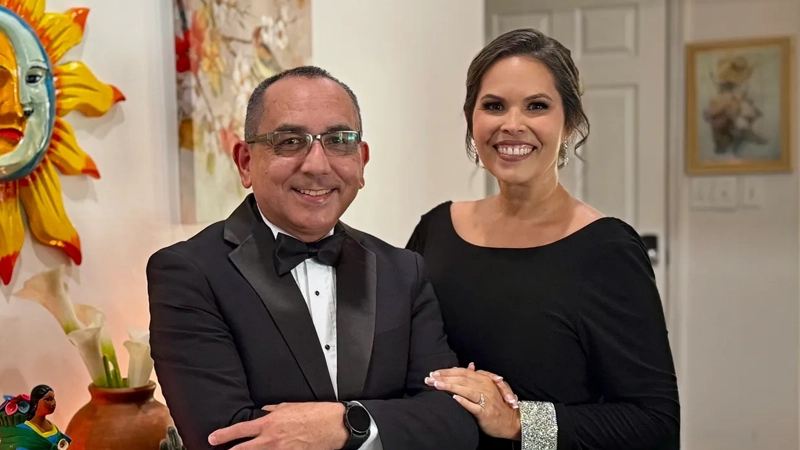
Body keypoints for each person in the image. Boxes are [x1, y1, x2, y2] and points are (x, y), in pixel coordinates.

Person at [147, 65, 479, 450]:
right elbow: (223, 439)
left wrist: (345, 425)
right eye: (290, 141)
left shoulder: (403, 271)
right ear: (245, 162)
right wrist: (388, 425)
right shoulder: (188, 272)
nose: (318, 165)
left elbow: (453, 424)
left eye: (338, 140)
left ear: (361, 161)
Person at [407, 28, 680, 449]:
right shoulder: (436, 229)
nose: (512, 125)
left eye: (537, 106)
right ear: (471, 119)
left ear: (570, 122)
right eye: (494, 106)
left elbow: (656, 423)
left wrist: (519, 422)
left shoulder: (607, 250)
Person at [0, 385, 71, 450]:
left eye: (53, 398)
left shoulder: (53, 427)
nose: (53, 403)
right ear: (35, 403)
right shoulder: (24, 432)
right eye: (48, 399)